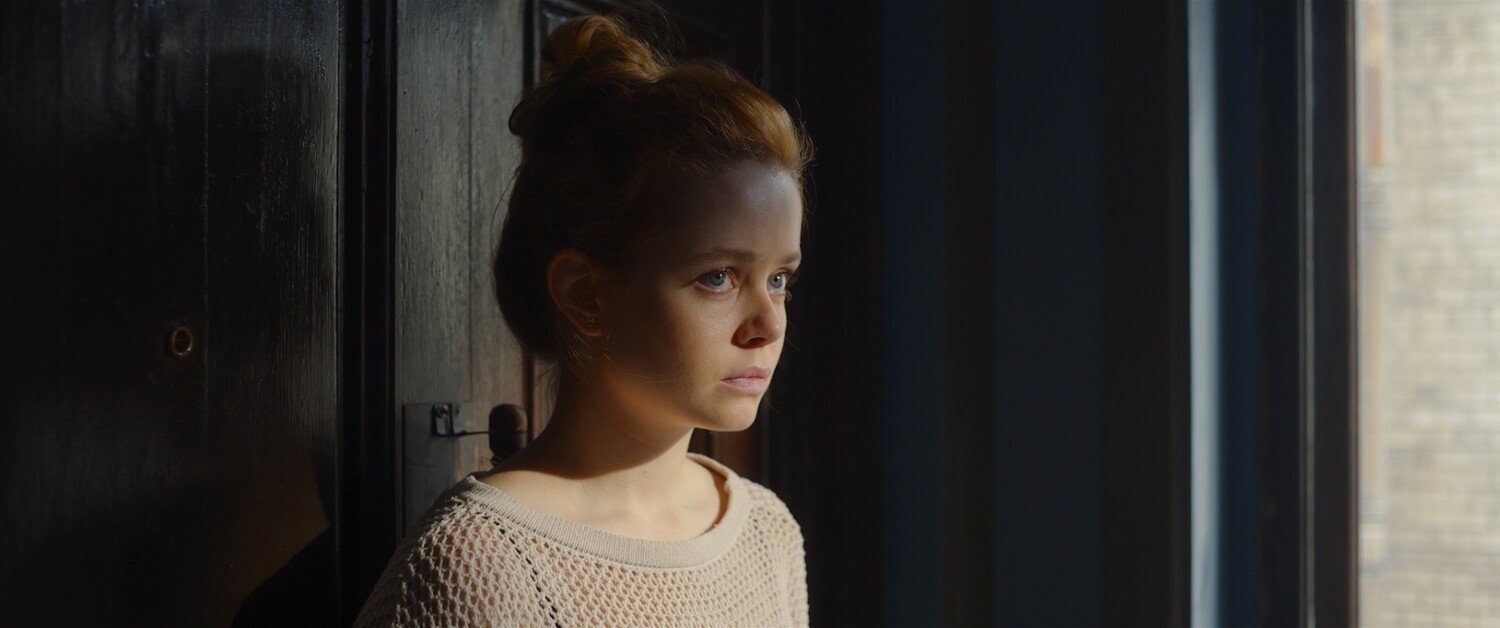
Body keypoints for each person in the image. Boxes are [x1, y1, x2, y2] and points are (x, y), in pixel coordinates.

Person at [353, 10, 813, 626]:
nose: (769, 326)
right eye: (719, 277)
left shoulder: (766, 532)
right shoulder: (478, 566)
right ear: (585, 296)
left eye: (779, 280)